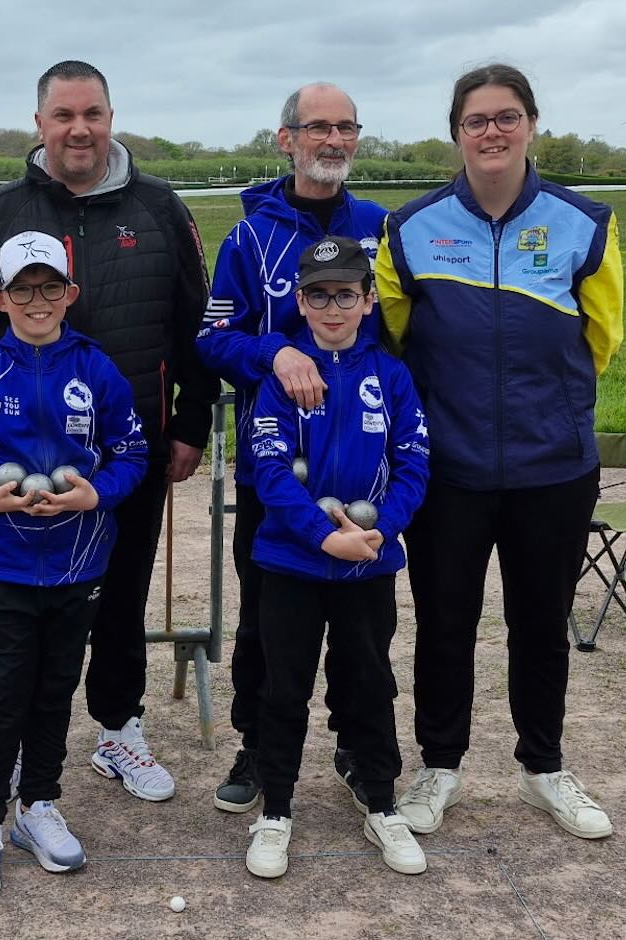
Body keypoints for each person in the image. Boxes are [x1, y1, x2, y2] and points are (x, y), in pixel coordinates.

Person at [0, 61, 219, 802]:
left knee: (123, 594)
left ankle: (118, 728)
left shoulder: (162, 208)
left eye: (93, 113)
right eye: (64, 114)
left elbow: (194, 326)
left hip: (126, 456)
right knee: (17, 599)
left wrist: (189, 423)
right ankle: (8, 742)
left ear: (111, 117)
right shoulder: (3, 213)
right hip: (22, 461)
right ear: (39, 124)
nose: (80, 128)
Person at [376, 63, 623, 840]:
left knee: (542, 623)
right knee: (444, 623)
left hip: (554, 465)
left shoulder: (586, 220)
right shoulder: (408, 227)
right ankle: (439, 765)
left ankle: (542, 766)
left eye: (506, 116)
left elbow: (602, 338)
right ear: (456, 132)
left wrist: (546, 410)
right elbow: (393, 336)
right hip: (448, 471)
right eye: (477, 119)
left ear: (531, 124)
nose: (492, 131)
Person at [0, 231, 148, 896]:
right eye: (24, 287)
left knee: (54, 692)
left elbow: (132, 453)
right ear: (0, 297)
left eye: (51, 286)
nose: (38, 299)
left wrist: (97, 491)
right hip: (0, 566)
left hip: (79, 565)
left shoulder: (98, 369)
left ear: (71, 294)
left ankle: (38, 806)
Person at [196, 82, 387, 813]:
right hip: (276, 467)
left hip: (366, 462)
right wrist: (275, 353)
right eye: (318, 128)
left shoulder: (380, 226)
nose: (332, 141)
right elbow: (213, 337)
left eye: (346, 127)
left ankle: (354, 743)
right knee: (266, 614)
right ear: (286, 139)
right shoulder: (249, 236)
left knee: (363, 619)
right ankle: (256, 741)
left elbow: (401, 334)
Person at [243, 236, 429, 879]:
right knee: (283, 688)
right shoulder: (281, 381)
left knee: (370, 683)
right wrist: (323, 538)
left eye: (345, 295)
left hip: (368, 565)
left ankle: (381, 801)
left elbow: (413, 465)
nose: (332, 307)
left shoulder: (393, 376)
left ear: (368, 300)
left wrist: (381, 532)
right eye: (318, 295)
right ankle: (277, 813)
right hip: (292, 565)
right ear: (301, 301)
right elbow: (269, 473)